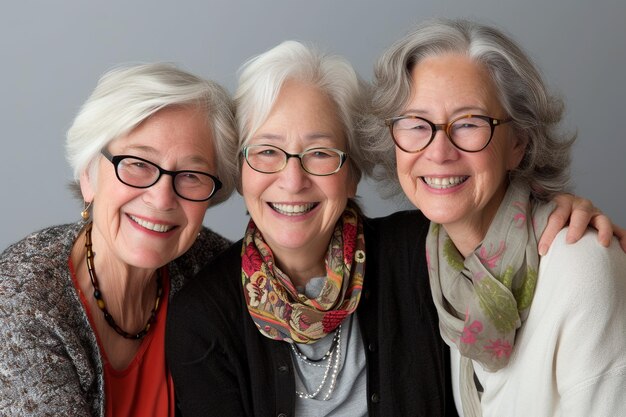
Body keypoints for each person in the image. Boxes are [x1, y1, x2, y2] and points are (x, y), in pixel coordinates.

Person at [165, 41, 618, 417]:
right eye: (266, 152)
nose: (292, 180)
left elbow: (484, 216)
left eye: (321, 153)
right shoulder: (203, 317)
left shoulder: (424, 250)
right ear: (240, 171)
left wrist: (548, 208)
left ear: (353, 172)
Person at [365, 18, 626, 417]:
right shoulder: (444, 267)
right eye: (416, 125)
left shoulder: (580, 268)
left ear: (518, 143)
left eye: (469, 123)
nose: (438, 152)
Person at [0, 63, 238, 416]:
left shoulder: (210, 267)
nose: (161, 199)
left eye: (190, 175)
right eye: (138, 163)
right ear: (88, 175)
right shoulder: (21, 301)